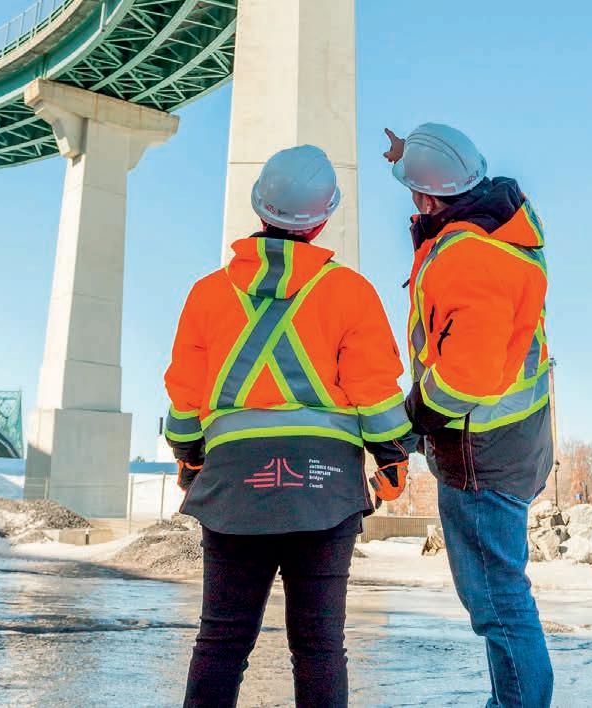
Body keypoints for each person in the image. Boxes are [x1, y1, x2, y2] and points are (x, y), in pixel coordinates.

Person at [164, 144, 418, 708]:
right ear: (323, 219)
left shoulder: (207, 295)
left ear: (259, 208)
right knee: (320, 647)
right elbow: (374, 392)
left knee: (222, 642)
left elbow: (185, 397)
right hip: (324, 490)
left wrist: (189, 456)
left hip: (233, 489)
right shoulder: (350, 292)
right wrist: (392, 456)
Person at [384, 123, 555, 707]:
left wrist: (412, 420)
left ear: (428, 197)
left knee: (499, 603)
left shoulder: (466, 256)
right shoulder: (500, 229)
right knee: (500, 597)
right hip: (512, 440)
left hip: (481, 450)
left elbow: (466, 377)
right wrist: (409, 155)